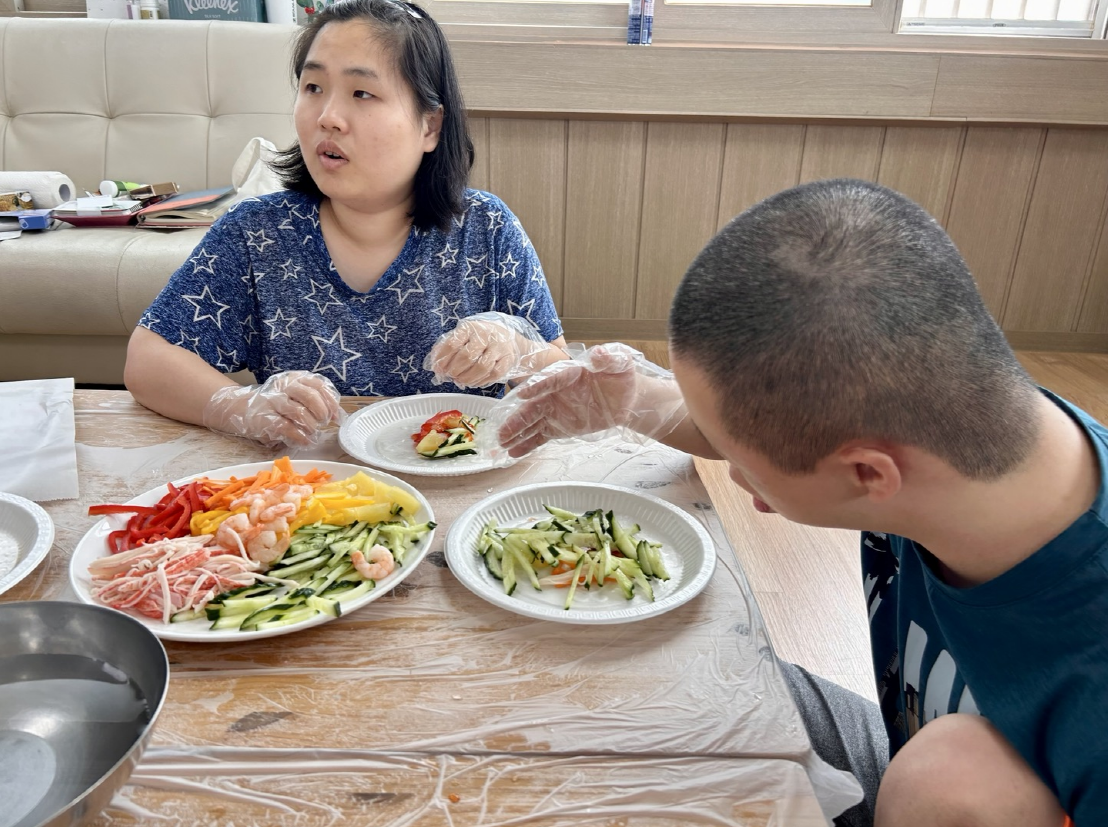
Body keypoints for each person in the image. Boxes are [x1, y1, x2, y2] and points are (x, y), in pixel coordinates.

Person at [492, 179, 1105, 827]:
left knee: (957, 777)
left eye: (741, 463)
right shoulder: (959, 413)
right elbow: (767, 426)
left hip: (953, 794)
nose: (742, 481)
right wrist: (634, 400)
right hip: (903, 746)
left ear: (869, 471)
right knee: (657, 668)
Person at [125, 0, 567, 448]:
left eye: (361, 93)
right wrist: (240, 405)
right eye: (313, 86)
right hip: (314, 490)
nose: (326, 117)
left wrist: (518, 350)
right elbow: (148, 359)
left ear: (430, 126)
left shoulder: (486, 229)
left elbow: (560, 375)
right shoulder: (256, 233)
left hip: (462, 487)